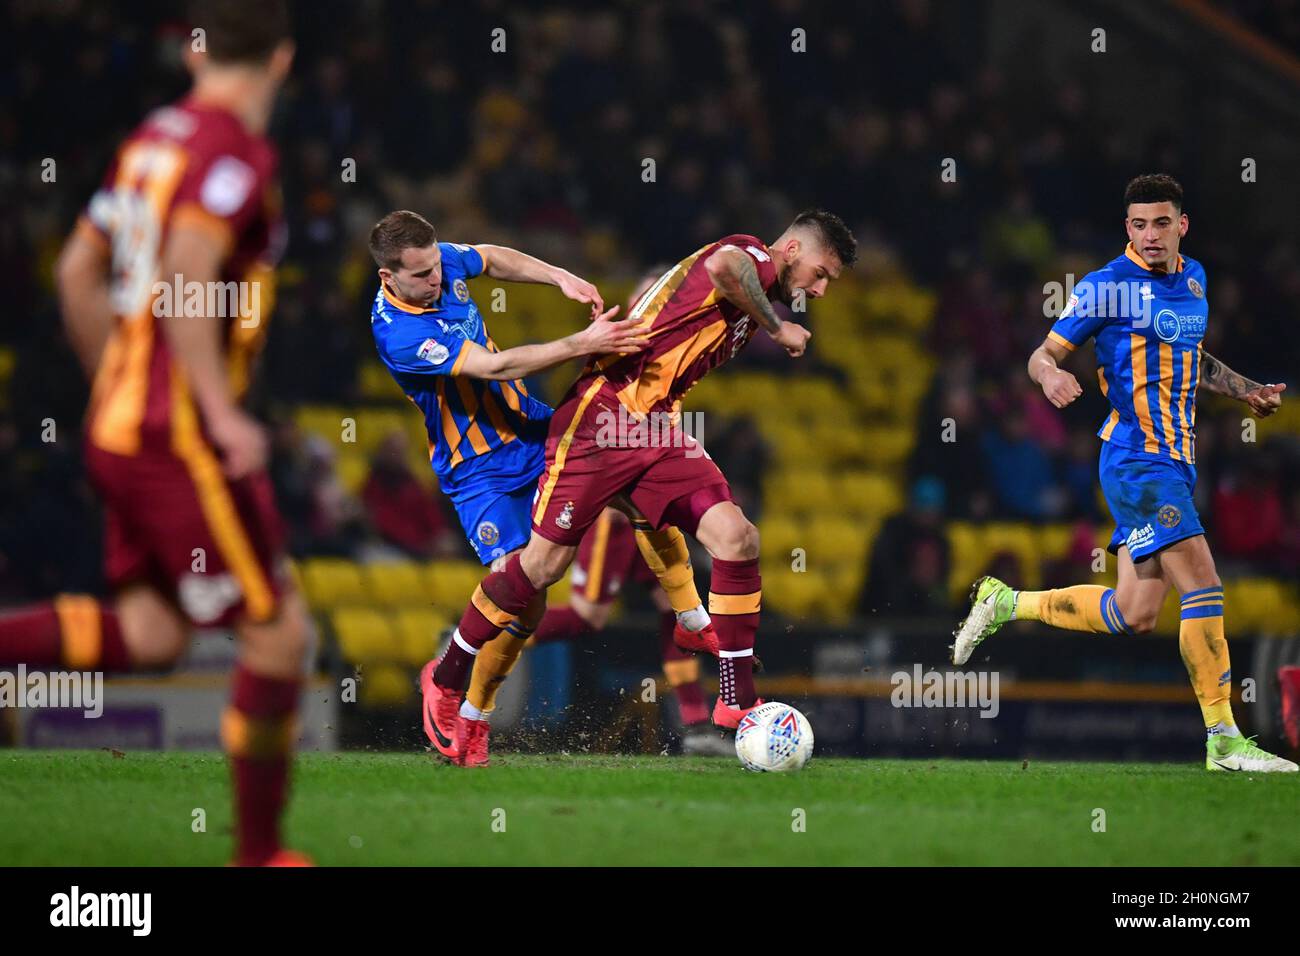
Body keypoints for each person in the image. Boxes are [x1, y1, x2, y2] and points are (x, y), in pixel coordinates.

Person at [0, 0, 319, 863]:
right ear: (283, 61)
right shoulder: (232, 152)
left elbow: (75, 272)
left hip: (122, 425)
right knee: (280, 636)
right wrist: (214, 410)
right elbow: (186, 265)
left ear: (193, 52)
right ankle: (259, 855)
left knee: (151, 635)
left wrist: (117, 386)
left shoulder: (151, 142)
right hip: (176, 438)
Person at [423, 209, 857, 757]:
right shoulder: (750, 258)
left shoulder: (758, 282)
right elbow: (725, 268)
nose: (819, 289)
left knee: (738, 537)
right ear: (794, 251)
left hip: (655, 428)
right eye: (822, 273)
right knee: (541, 569)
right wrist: (777, 325)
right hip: (601, 420)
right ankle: (448, 673)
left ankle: (735, 701)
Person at [950, 174, 1296, 772]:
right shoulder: (1105, 288)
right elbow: (1044, 353)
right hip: (1137, 463)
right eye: (1138, 225)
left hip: (1175, 462)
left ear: (1181, 225)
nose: (1150, 235)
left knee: (1135, 613)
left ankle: (1008, 603)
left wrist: (1244, 392)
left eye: (1161, 223)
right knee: (1204, 581)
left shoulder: (1195, 279)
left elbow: (1192, 357)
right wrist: (1049, 375)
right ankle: (1224, 741)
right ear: (1127, 228)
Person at [366, 211, 717, 766]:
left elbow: (491, 256)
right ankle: (463, 699)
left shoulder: (439, 260)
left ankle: (693, 619)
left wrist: (559, 276)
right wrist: (583, 342)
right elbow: (497, 365)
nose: (435, 279)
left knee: (637, 487)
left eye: (436, 267)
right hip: (478, 470)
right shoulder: (400, 332)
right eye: (421, 276)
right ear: (390, 277)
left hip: (531, 430)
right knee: (526, 599)